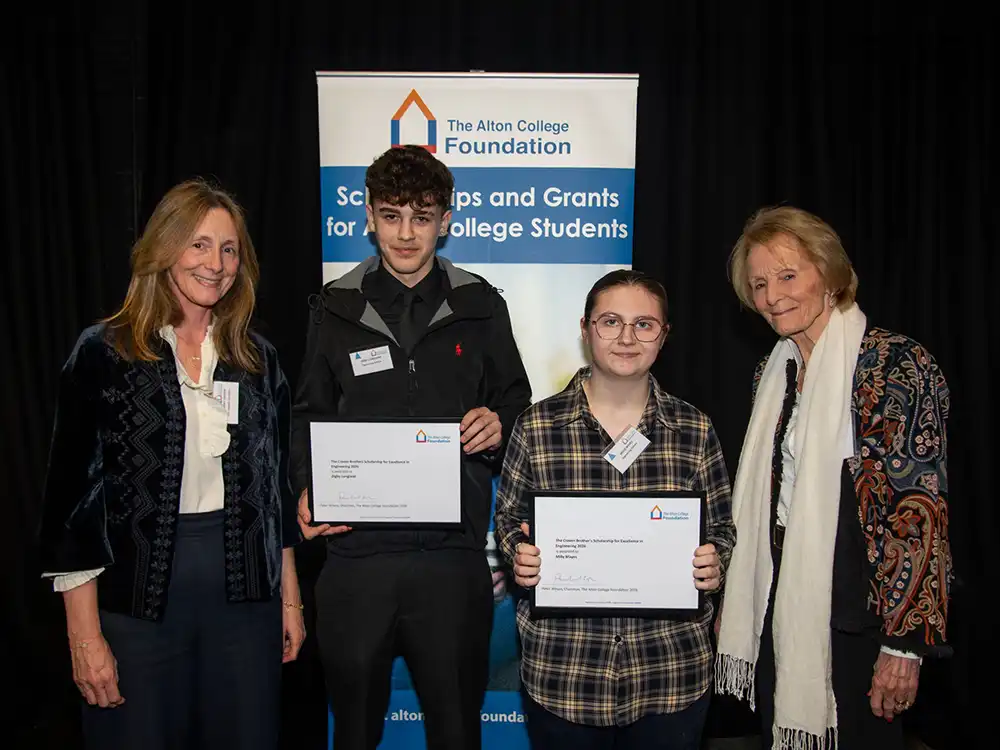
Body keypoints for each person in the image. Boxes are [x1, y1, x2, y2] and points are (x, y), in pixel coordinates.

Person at [37, 179, 304, 750]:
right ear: (165, 250)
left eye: (229, 249)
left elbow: (274, 495)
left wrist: (290, 600)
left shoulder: (257, 360)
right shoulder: (104, 352)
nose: (216, 263)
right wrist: (84, 637)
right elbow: (72, 511)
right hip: (138, 607)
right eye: (199, 245)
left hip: (246, 604)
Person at [291, 144, 532, 750]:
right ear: (368, 215)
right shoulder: (333, 308)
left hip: (452, 561)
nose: (405, 233)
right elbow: (307, 415)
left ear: (445, 222)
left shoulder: (482, 306)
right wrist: (303, 486)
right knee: (353, 734)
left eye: (422, 217)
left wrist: (499, 424)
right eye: (392, 214)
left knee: (456, 734)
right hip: (355, 561)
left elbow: (517, 402)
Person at [715, 206, 952, 750]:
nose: (772, 296)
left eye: (788, 275)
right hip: (784, 611)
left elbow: (918, 510)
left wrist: (904, 644)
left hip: (864, 622)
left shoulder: (894, 365)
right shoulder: (771, 373)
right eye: (759, 284)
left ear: (829, 273)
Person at [494, 269, 736, 750]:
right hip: (565, 672)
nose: (627, 337)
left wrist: (716, 561)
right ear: (585, 329)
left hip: (669, 673)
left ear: (663, 336)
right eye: (610, 322)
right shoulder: (536, 427)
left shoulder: (694, 428)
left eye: (644, 324)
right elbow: (508, 521)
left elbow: (722, 528)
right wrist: (518, 553)